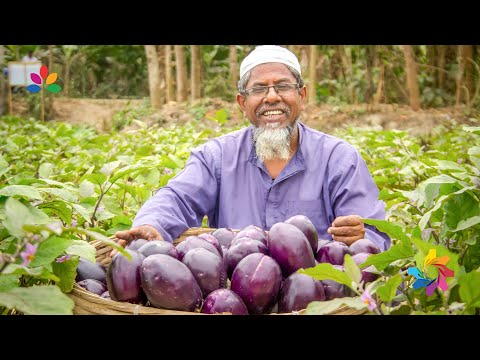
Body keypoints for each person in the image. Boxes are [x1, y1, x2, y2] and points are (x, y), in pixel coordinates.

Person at [113, 45, 390, 256]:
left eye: (283, 86)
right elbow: (177, 198)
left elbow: (375, 235)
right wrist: (152, 224)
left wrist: (362, 236)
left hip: (316, 294)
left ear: (302, 96)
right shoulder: (216, 157)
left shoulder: (339, 159)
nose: (272, 96)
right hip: (235, 292)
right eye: (259, 89)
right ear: (242, 102)